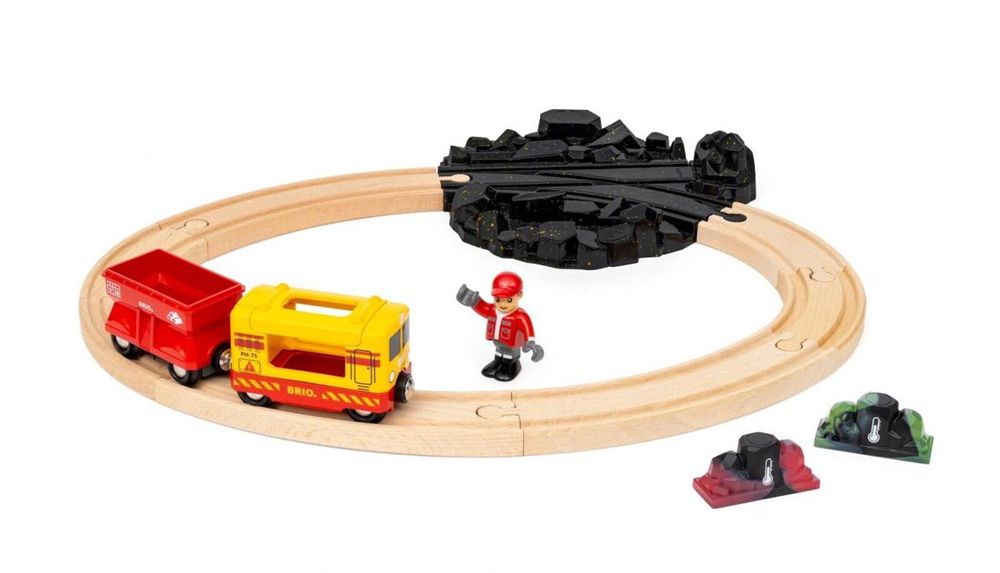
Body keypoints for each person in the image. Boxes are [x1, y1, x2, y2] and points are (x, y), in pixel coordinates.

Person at [456, 271, 544, 382]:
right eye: (498, 299)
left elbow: (528, 330)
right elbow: (483, 307)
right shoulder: (493, 310)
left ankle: (511, 367)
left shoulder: (520, 316)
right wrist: (472, 300)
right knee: (499, 354)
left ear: (519, 295)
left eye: (509, 300)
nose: (502, 304)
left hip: (511, 347)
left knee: (508, 357)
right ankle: (497, 364)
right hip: (498, 344)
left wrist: (531, 344)